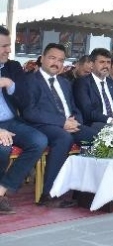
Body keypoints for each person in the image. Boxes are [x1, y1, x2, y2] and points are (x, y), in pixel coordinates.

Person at [22, 43, 99, 207]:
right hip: (42, 125)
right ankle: (49, 194)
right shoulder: (30, 81)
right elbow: (30, 112)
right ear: (42, 59)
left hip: (69, 124)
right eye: (52, 58)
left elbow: (74, 107)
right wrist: (62, 123)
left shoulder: (64, 83)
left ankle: (84, 189)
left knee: (96, 137)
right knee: (63, 138)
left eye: (61, 60)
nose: (56, 63)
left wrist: (75, 121)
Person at [0, 26, 47, 214]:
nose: (9, 50)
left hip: (12, 121)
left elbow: (26, 98)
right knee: (3, 148)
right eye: (3, 46)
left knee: (39, 140)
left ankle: (2, 190)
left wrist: (10, 85)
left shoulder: (12, 67)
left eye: (8, 46)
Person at [72, 48, 113, 129]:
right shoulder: (82, 83)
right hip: (97, 124)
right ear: (92, 64)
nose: (105, 66)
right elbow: (88, 111)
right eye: (102, 62)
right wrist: (111, 121)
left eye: (108, 62)